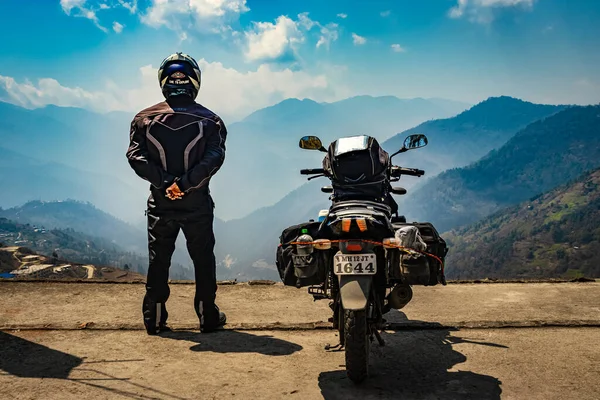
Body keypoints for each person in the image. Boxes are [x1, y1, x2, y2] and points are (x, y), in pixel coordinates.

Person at [126, 52, 227, 335]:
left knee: (159, 259)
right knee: (203, 259)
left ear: (163, 81)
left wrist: (167, 183)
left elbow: (136, 157)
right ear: (195, 81)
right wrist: (183, 185)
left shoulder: (143, 118)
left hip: (160, 203)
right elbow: (214, 159)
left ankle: (154, 318)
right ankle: (207, 315)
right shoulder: (211, 121)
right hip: (196, 203)